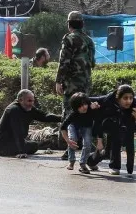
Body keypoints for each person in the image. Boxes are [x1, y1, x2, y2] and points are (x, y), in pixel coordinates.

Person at [55, 11, 95, 160]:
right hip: (85, 83)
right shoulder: (89, 40)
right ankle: (87, 148)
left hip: (71, 85)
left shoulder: (69, 39)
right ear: (82, 24)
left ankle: (70, 149)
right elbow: (93, 62)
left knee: (69, 115)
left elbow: (64, 62)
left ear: (69, 24)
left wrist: (59, 81)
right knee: (84, 114)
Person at [87, 85, 136, 176]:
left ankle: (90, 160)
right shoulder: (107, 100)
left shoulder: (134, 106)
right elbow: (84, 100)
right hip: (106, 124)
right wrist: (90, 106)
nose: (129, 101)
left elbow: (134, 129)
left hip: (121, 127)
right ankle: (115, 167)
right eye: (125, 98)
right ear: (118, 98)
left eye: (131, 98)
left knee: (108, 152)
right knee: (117, 136)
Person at [0, 89, 61, 157]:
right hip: (3, 146)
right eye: (29, 101)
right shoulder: (14, 110)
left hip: (12, 142)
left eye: (33, 101)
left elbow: (45, 116)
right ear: (20, 100)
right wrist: (21, 151)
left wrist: (62, 118)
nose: (31, 104)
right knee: (34, 145)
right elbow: (17, 131)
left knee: (34, 145)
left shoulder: (28, 108)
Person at [60, 92, 96, 174]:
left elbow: (100, 102)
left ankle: (83, 163)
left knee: (87, 143)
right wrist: (68, 140)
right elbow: (62, 128)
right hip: (73, 126)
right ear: (76, 107)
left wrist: (96, 105)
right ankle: (71, 161)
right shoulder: (73, 115)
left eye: (85, 104)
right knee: (73, 139)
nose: (84, 107)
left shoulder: (91, 109)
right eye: (80, 106)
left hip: (86, 127)